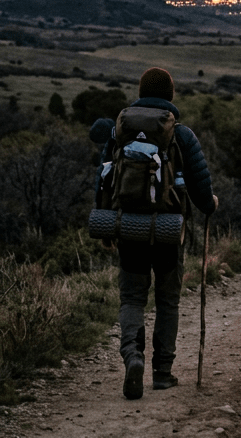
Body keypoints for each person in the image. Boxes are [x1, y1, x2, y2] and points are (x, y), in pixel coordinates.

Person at [92, 67, 217, 398]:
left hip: (128, 227)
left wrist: (106, 220)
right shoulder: (181, 135)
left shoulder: (121, 131)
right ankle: (163, 372)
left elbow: (103, 179)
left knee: (132, 297)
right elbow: (200, 185)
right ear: (171, 95)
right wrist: (210, 205)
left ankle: (133, 356)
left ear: (140, 91)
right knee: (167, 300)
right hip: (167, 229)